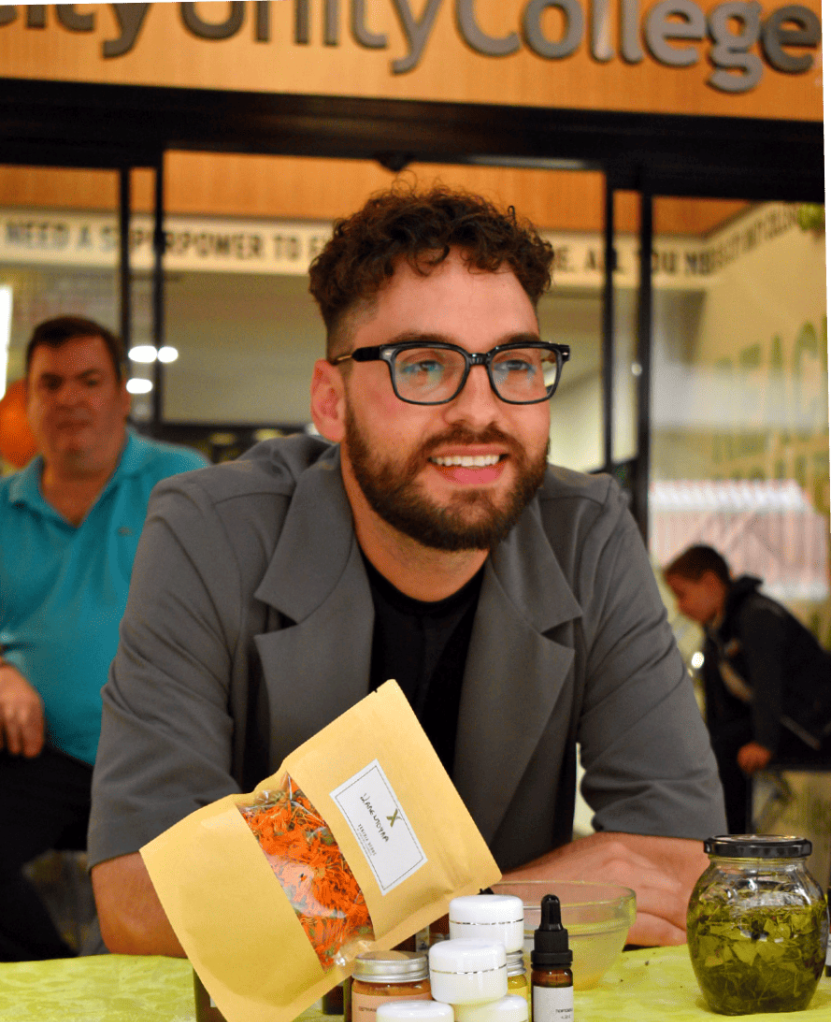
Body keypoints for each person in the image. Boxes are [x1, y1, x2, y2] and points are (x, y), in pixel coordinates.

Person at [89, 185, 725, 957]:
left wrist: (316, 905)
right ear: (331, 401)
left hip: (497, 1021)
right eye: (423, 366)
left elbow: (681, 865)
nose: (480, 412)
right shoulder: (210, 531)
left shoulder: (583, 533)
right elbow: (140, 900)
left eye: (515, 364)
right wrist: (485, 914)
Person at [0, 315, 206, 961]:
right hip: (41, 755)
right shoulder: (4, 507)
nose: (69, 398)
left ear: (121, 394)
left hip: (162, 756)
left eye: (89, 381)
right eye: (50, 383)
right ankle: (54, 981)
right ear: (28, 401)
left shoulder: (183, 481)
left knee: (203, 899)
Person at [664, 544, 831, 834]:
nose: (680, 607)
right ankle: (710, 834)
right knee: (712, 746)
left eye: (681, 595)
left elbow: (768, 684)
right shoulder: (716, 634)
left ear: (710, 583)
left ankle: (731, 840)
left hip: (817, 726)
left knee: (726, 748)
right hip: (783, 725)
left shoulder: (757, 615)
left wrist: (764, 742)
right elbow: (720, 710)